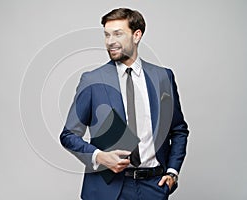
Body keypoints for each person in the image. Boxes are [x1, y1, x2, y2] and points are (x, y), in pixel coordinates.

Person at [60, 7, 189, 200]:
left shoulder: (163, 77)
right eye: (106, 35)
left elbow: (178, 130)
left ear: (137, 35)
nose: (110, 41)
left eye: (118, 34)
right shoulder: (92, 80)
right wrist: (98, 156)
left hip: (154, 187)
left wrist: (172, 172)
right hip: (106, 189)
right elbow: (69, 135)